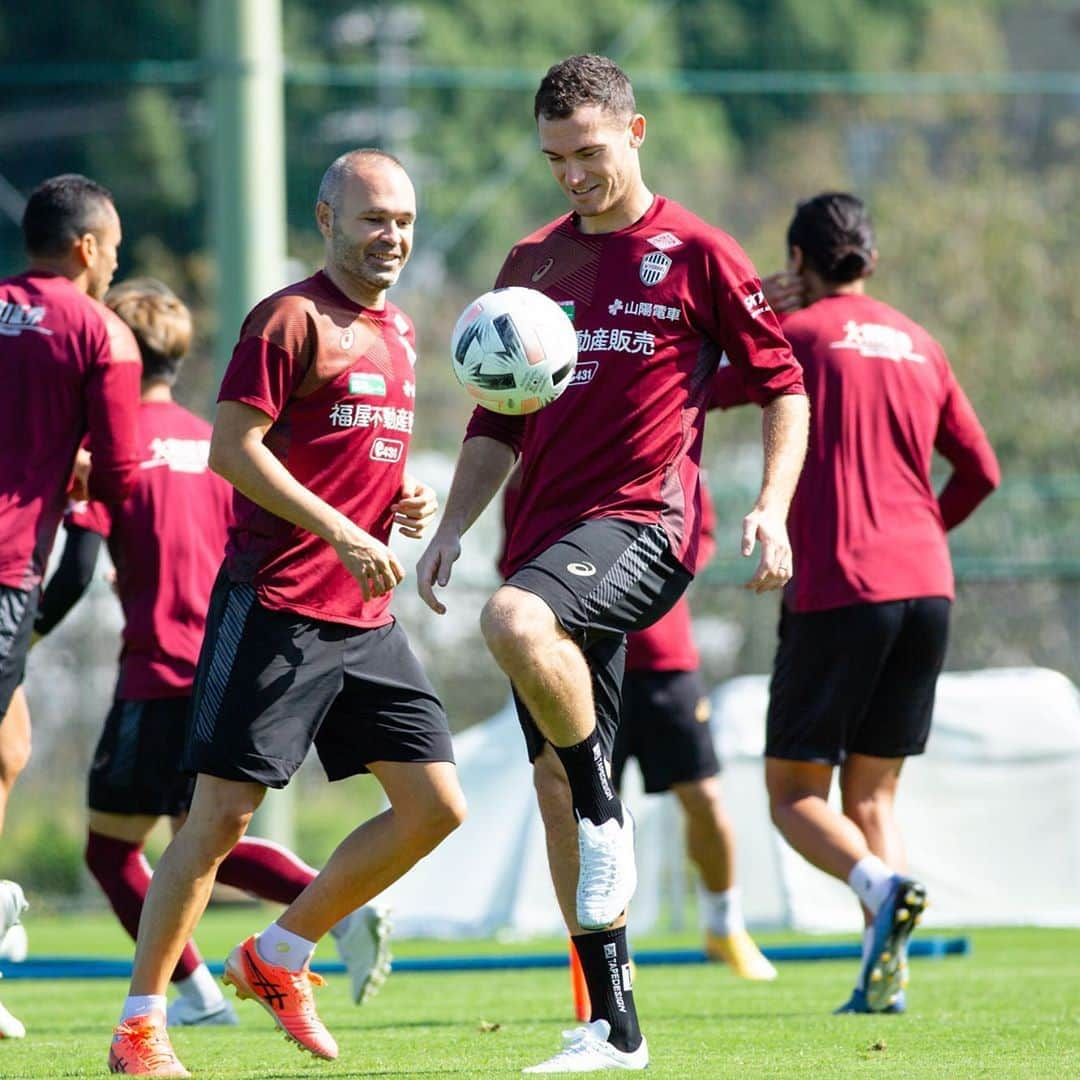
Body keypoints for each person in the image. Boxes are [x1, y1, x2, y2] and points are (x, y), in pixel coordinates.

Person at [418, 55, 808, 1073]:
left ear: (634, 134)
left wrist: (772, 505)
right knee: (552, 782)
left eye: (588, 152)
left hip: (649, 523)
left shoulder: (697, 252)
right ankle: (612, 1027)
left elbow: (783, 386)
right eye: (554, 158)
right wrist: (454, 525)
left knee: (514, 627)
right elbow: (496, 416)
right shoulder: (530, 261)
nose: (572, 175)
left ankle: (607, 817)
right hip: (545, 536)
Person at [106, 149, 466, 1077]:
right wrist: (346, 528)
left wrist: (401, 505)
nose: (391, 236)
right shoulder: (288, 318)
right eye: (373, 218)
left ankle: (280, 953)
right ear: (327, 219)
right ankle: (142, 1024)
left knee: (435, 806)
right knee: (220, 821)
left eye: (404, 221)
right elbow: (233, 449)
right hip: (277, 605)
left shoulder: (401, 333)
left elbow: (353, 462)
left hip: (364, 615)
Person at [34, 279, 391, 1031]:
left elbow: (77, 562)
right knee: (200, 837)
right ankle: (334, 904)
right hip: (230, 657)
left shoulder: (111, 448)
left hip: (156, 668)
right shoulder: (217, 439)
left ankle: (189, 997)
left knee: (112, 850)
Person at [728, 191, 999, 1014]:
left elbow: (691, 389)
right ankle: (886, 980)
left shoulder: (796, 336)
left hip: (844, 588)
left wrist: (742, 314)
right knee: (873, 797)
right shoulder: (922, 344)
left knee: (793, 795)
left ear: (799, 264)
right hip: (927, 589)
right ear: (871, 262)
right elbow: (980, 471)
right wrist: (919, 536)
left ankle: (883, 888)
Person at [0, 173, 142, 1039]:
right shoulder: (99, 331)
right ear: (87, 249)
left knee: (7, 747)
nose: (115, 263)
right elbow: (122, 475)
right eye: (115, 250)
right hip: (5, 567)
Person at [612, 483, 776, 981]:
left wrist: (646, 577)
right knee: (592, 814)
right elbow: (514, 554)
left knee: (704, 797)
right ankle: (607, 950)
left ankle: (724, 927)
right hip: (585, 664)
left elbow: (697, 534)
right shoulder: (542, 452)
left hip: (667, 664)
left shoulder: (667, 447)